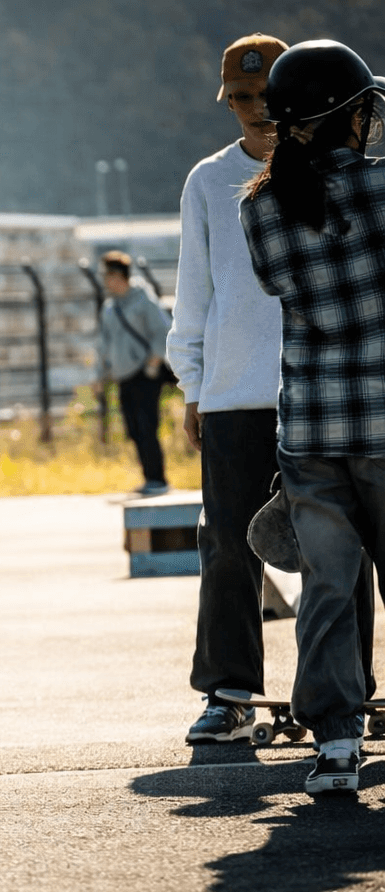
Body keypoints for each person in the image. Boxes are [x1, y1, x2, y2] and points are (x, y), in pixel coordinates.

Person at [240, 39, 385, 794]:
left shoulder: (261, 207)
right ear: (348, 115)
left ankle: (335, 745)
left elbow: (281, 286)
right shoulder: (381, 189)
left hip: (311, 431)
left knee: (329, 589)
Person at [167, 34, 289, 744]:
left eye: (267, 96)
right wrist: (192, 386)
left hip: (318, 391)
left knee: (342, 549)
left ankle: (344, 691)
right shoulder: (208, 181)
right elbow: (196, 293)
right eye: (241, 99)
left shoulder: (335, 171)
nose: (254, 110)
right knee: (228, 548)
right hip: (233, 396)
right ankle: (230, 692)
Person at [98, 250, 173, 497]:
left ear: (118, 275)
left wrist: (152, 364)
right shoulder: (109, 308)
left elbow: (162, 331)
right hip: (123, 376)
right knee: (133, 428)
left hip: (144, 373)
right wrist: (101, 375)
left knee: (146, 425)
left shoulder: (143, 300)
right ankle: (148, 477)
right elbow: (104, 345)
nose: (104, 280)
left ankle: (158, 478)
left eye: (107, 274)